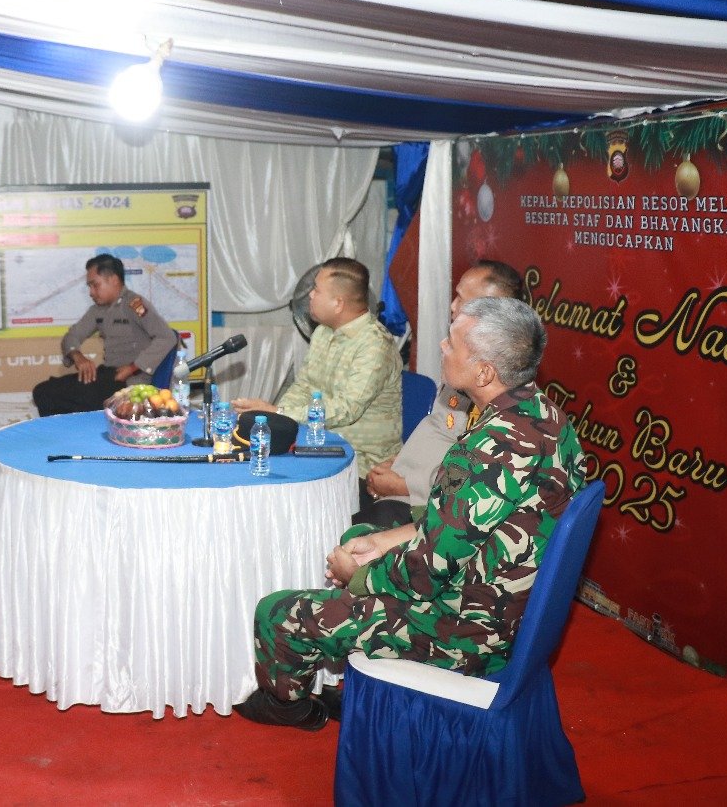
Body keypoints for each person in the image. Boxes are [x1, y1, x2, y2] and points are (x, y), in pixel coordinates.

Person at [235, 297, 585, 731]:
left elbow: (427, 572)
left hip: (467, 628)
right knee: (364, 532)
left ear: (484, 372)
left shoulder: (484, 451)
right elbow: (472, 518)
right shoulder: (546, 415)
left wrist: (359, 575)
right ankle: (357, 671)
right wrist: (382, 540)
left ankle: (289, 706)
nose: (441, 345)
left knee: (277, 611)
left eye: (453, 343)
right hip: (505, 597)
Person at [355, 260, 524, 530]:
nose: (453, 306)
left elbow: (471, 482)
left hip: (433, 510)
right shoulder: (466, 369)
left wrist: (402, 484)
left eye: (463, 300)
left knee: (351, 539)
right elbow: (438, 429)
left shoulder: (503, 403)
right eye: (455, 294)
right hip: (406, 485)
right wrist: (398, 463)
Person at [233, 257, 401, 482]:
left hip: (360, 465)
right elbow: (304, 386)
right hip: (313, 447)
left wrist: (279, 412)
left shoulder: (375, 345)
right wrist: (278, 419)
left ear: (338, 303)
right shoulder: (323, 332)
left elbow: (346, 409)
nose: (310, 295)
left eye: (317, 290)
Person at [32, 253, 178, 416]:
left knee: (52, 395)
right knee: (43, 392)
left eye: (95, 285)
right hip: (108, 375)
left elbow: (167, 337)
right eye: (89, 286)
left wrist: (132, 367)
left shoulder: (135, 304)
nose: (91, 292)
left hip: (129, 382)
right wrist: (77, 355)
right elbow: (72, 336)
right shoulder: (98, 310)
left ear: (114, 280)